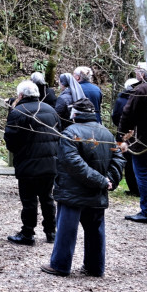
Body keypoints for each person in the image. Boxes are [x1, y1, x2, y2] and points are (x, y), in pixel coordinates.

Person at [41, 99, 124, 278]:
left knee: (66, 230)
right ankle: (95, 267)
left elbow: (74, 164)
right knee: (96, 231)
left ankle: (60, 265)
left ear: (75, 114)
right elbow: (118, 159)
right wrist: (108, 180)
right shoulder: (107, 134)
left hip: (73, 192)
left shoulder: (70, 133)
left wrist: (103, 180)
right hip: (95, 192)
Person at [4, 80, 60, 245]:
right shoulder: (51, 110)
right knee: (47, 198)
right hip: (50, 162)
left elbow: (10, 140)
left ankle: (28, 233)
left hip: (28, 163)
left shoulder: (18, 112)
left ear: (20, 95)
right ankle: (51, 232)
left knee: (29, 199)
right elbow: (60, 134)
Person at [118, 81, 147, 224]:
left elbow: (128, 113)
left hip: (143, 140)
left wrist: (122, 136)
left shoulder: (143, 89)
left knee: (143, 173)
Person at [112, 77, 141, 196]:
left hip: (124, 135)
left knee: (126, 161)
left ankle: (133, 188)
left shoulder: (121, 100)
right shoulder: (144, 98)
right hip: (139, 135)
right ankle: (140, 189)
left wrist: (121, 129)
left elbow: (115, 117)